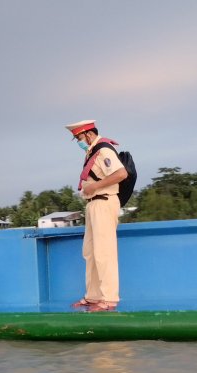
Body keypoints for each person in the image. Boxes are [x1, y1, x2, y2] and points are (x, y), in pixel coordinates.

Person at [65, 120, 128, 311]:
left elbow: (121, 173)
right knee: (91, 252)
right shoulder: (92, 152)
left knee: (104, 252)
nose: (78, 141)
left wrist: (94, 186)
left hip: (103, 201)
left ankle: (108, 298)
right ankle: (93, 295)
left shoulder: (104, 150)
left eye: (79, 137)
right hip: (93, 204)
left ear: (88, 134)